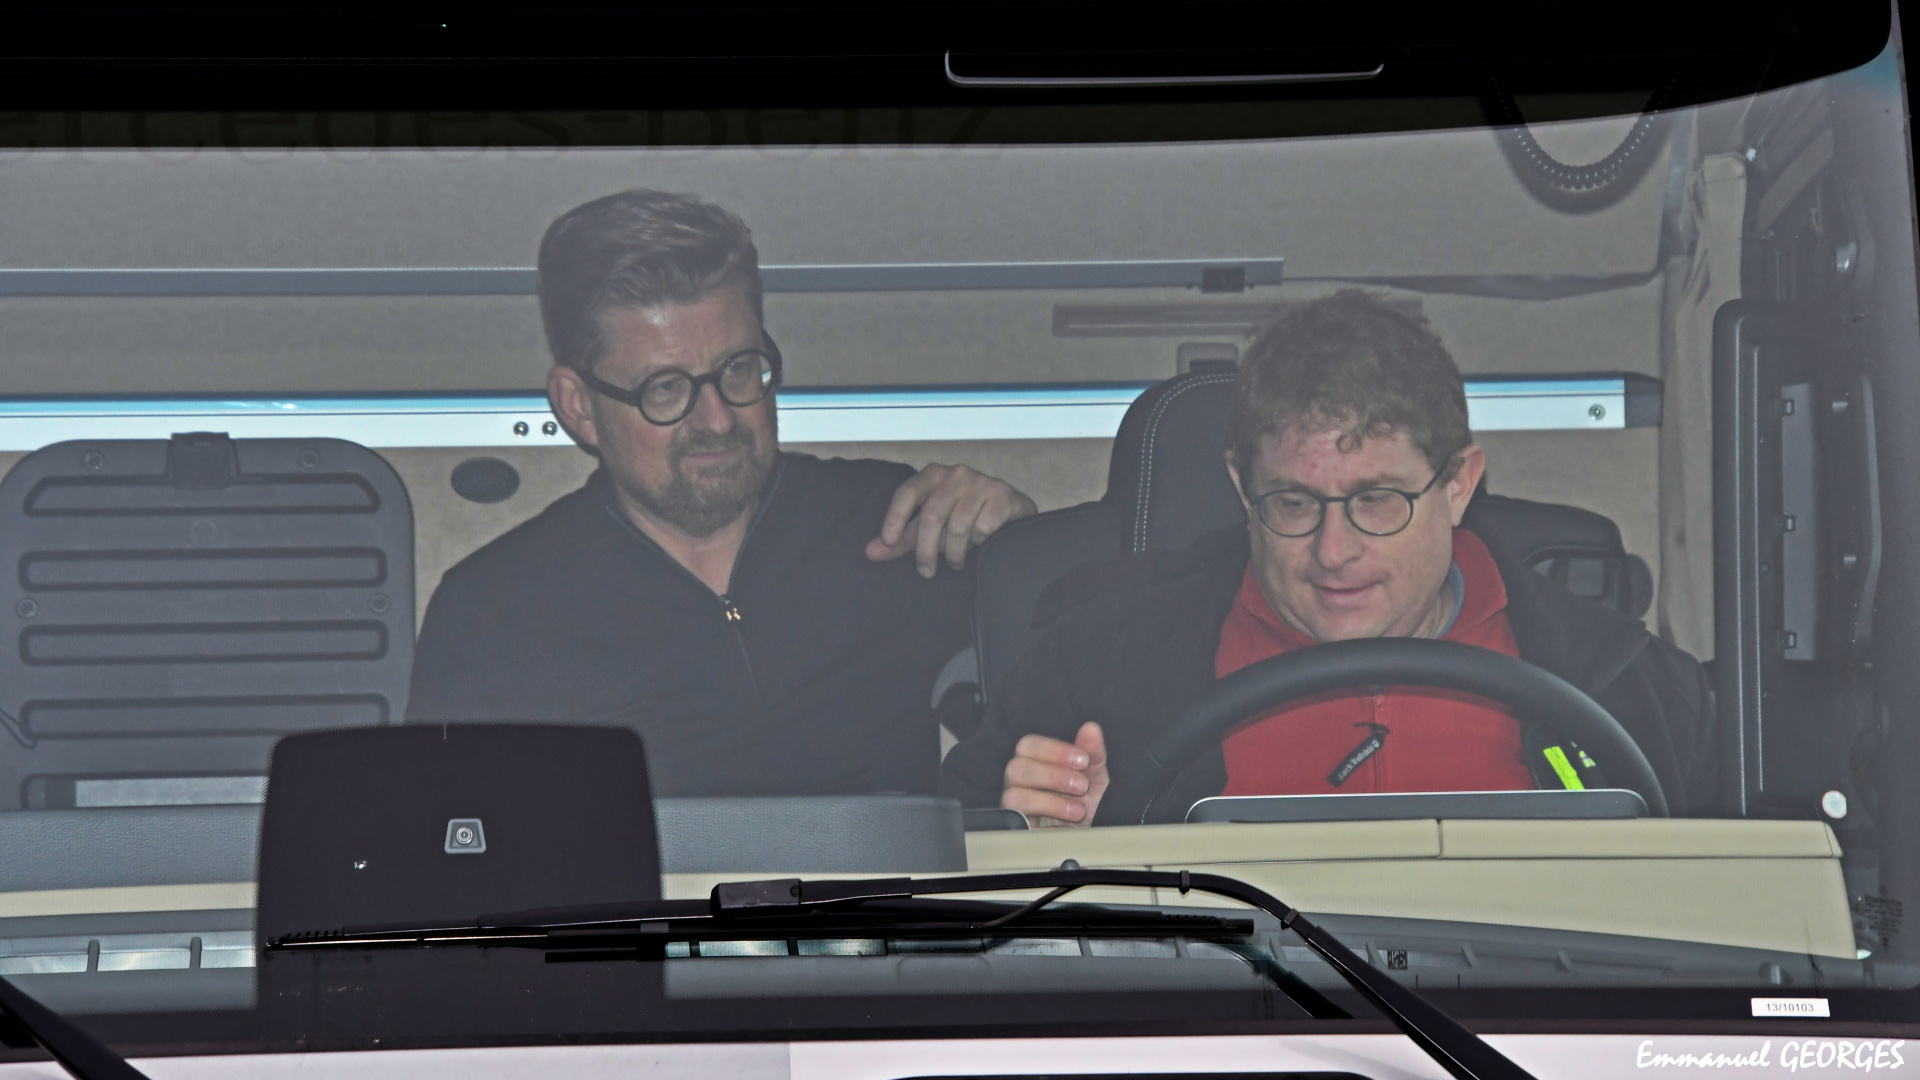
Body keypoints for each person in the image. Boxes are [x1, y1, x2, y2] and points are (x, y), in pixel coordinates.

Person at [941, 290, 1717, 825]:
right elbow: (945, 878)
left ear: (1458, 485)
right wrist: (1037, 841)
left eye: (1377, 499)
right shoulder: (1096, 664)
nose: (1333, 552)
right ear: (1241, 488)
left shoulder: (1629, 683)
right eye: (1293, 503)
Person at [407, 189, 1037, 797]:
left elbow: (1052, 725)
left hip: (886, 876)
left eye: (738, 369)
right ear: (579, 407)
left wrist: (1021, 554)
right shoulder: (494, 611)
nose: (717, 419)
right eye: (665, 388)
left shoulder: (895, 522)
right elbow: (448, 840)